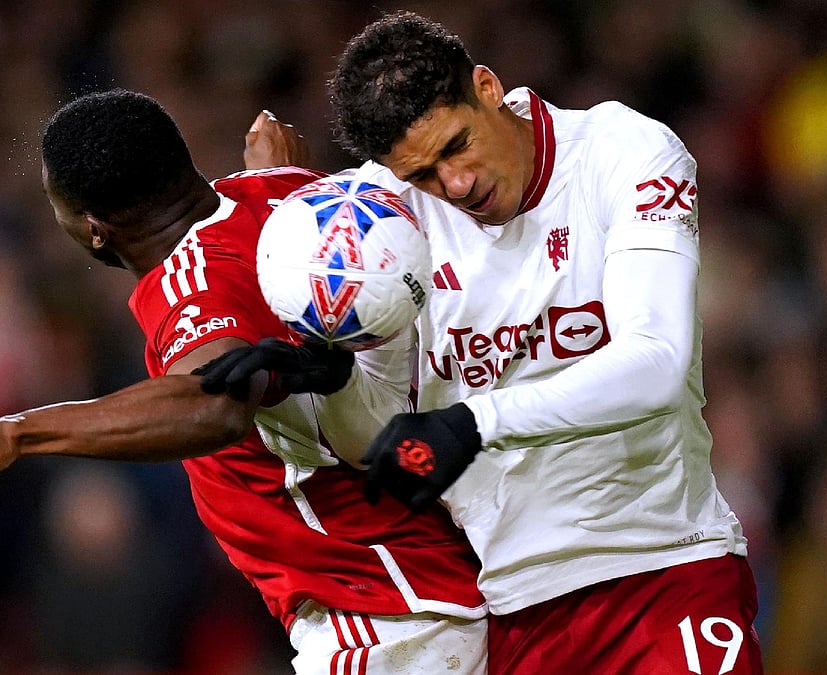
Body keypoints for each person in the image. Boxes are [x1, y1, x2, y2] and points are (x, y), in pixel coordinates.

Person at [212, 10, 764, 674]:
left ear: (486, 87)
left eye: (457, 146)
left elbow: (658, 362)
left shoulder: (621, 150)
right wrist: (337, 383)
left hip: (665, 568)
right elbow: (387, 437)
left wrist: (476, 420)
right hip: (515, 604)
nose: (456, 185)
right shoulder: (382, 222)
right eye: (423, 175)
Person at [0, 89, 488, 674]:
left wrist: (15, 432)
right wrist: (279, 175)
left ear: (94, 229)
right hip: (427, 587)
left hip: (381, 614)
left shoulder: (190, 284)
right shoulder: (288, 199)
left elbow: (211, 406)